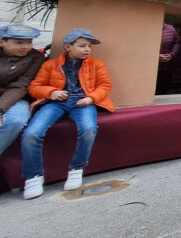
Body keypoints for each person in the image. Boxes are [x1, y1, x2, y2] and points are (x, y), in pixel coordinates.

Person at [22, 29, 114, 199]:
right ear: (68, 47)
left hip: (83, 102)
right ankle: (33, 176)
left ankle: (76, 168)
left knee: (88, 128)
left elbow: (105, 85)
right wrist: (51, 92)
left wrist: (91, 98)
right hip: (55, 103)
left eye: (89, 46)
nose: (88, 49)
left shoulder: (96, 64)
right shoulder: (50, 65)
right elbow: (34, 87)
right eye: (82, 46)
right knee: (32, 133)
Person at [0, 25, 46, 156]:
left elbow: (21, 86)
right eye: (19, 42)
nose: (25, 46)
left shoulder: (36, 58)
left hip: (17, 98)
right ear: (2, 42)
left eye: (29, 42)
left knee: (16, 121)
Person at [156, 22, 181, 95]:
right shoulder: (146, 27)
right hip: (149, 67)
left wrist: (172, 54)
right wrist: (154, 56)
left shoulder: (170, 28)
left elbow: (177, 42)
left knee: (163, 87)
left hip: (166, 65)